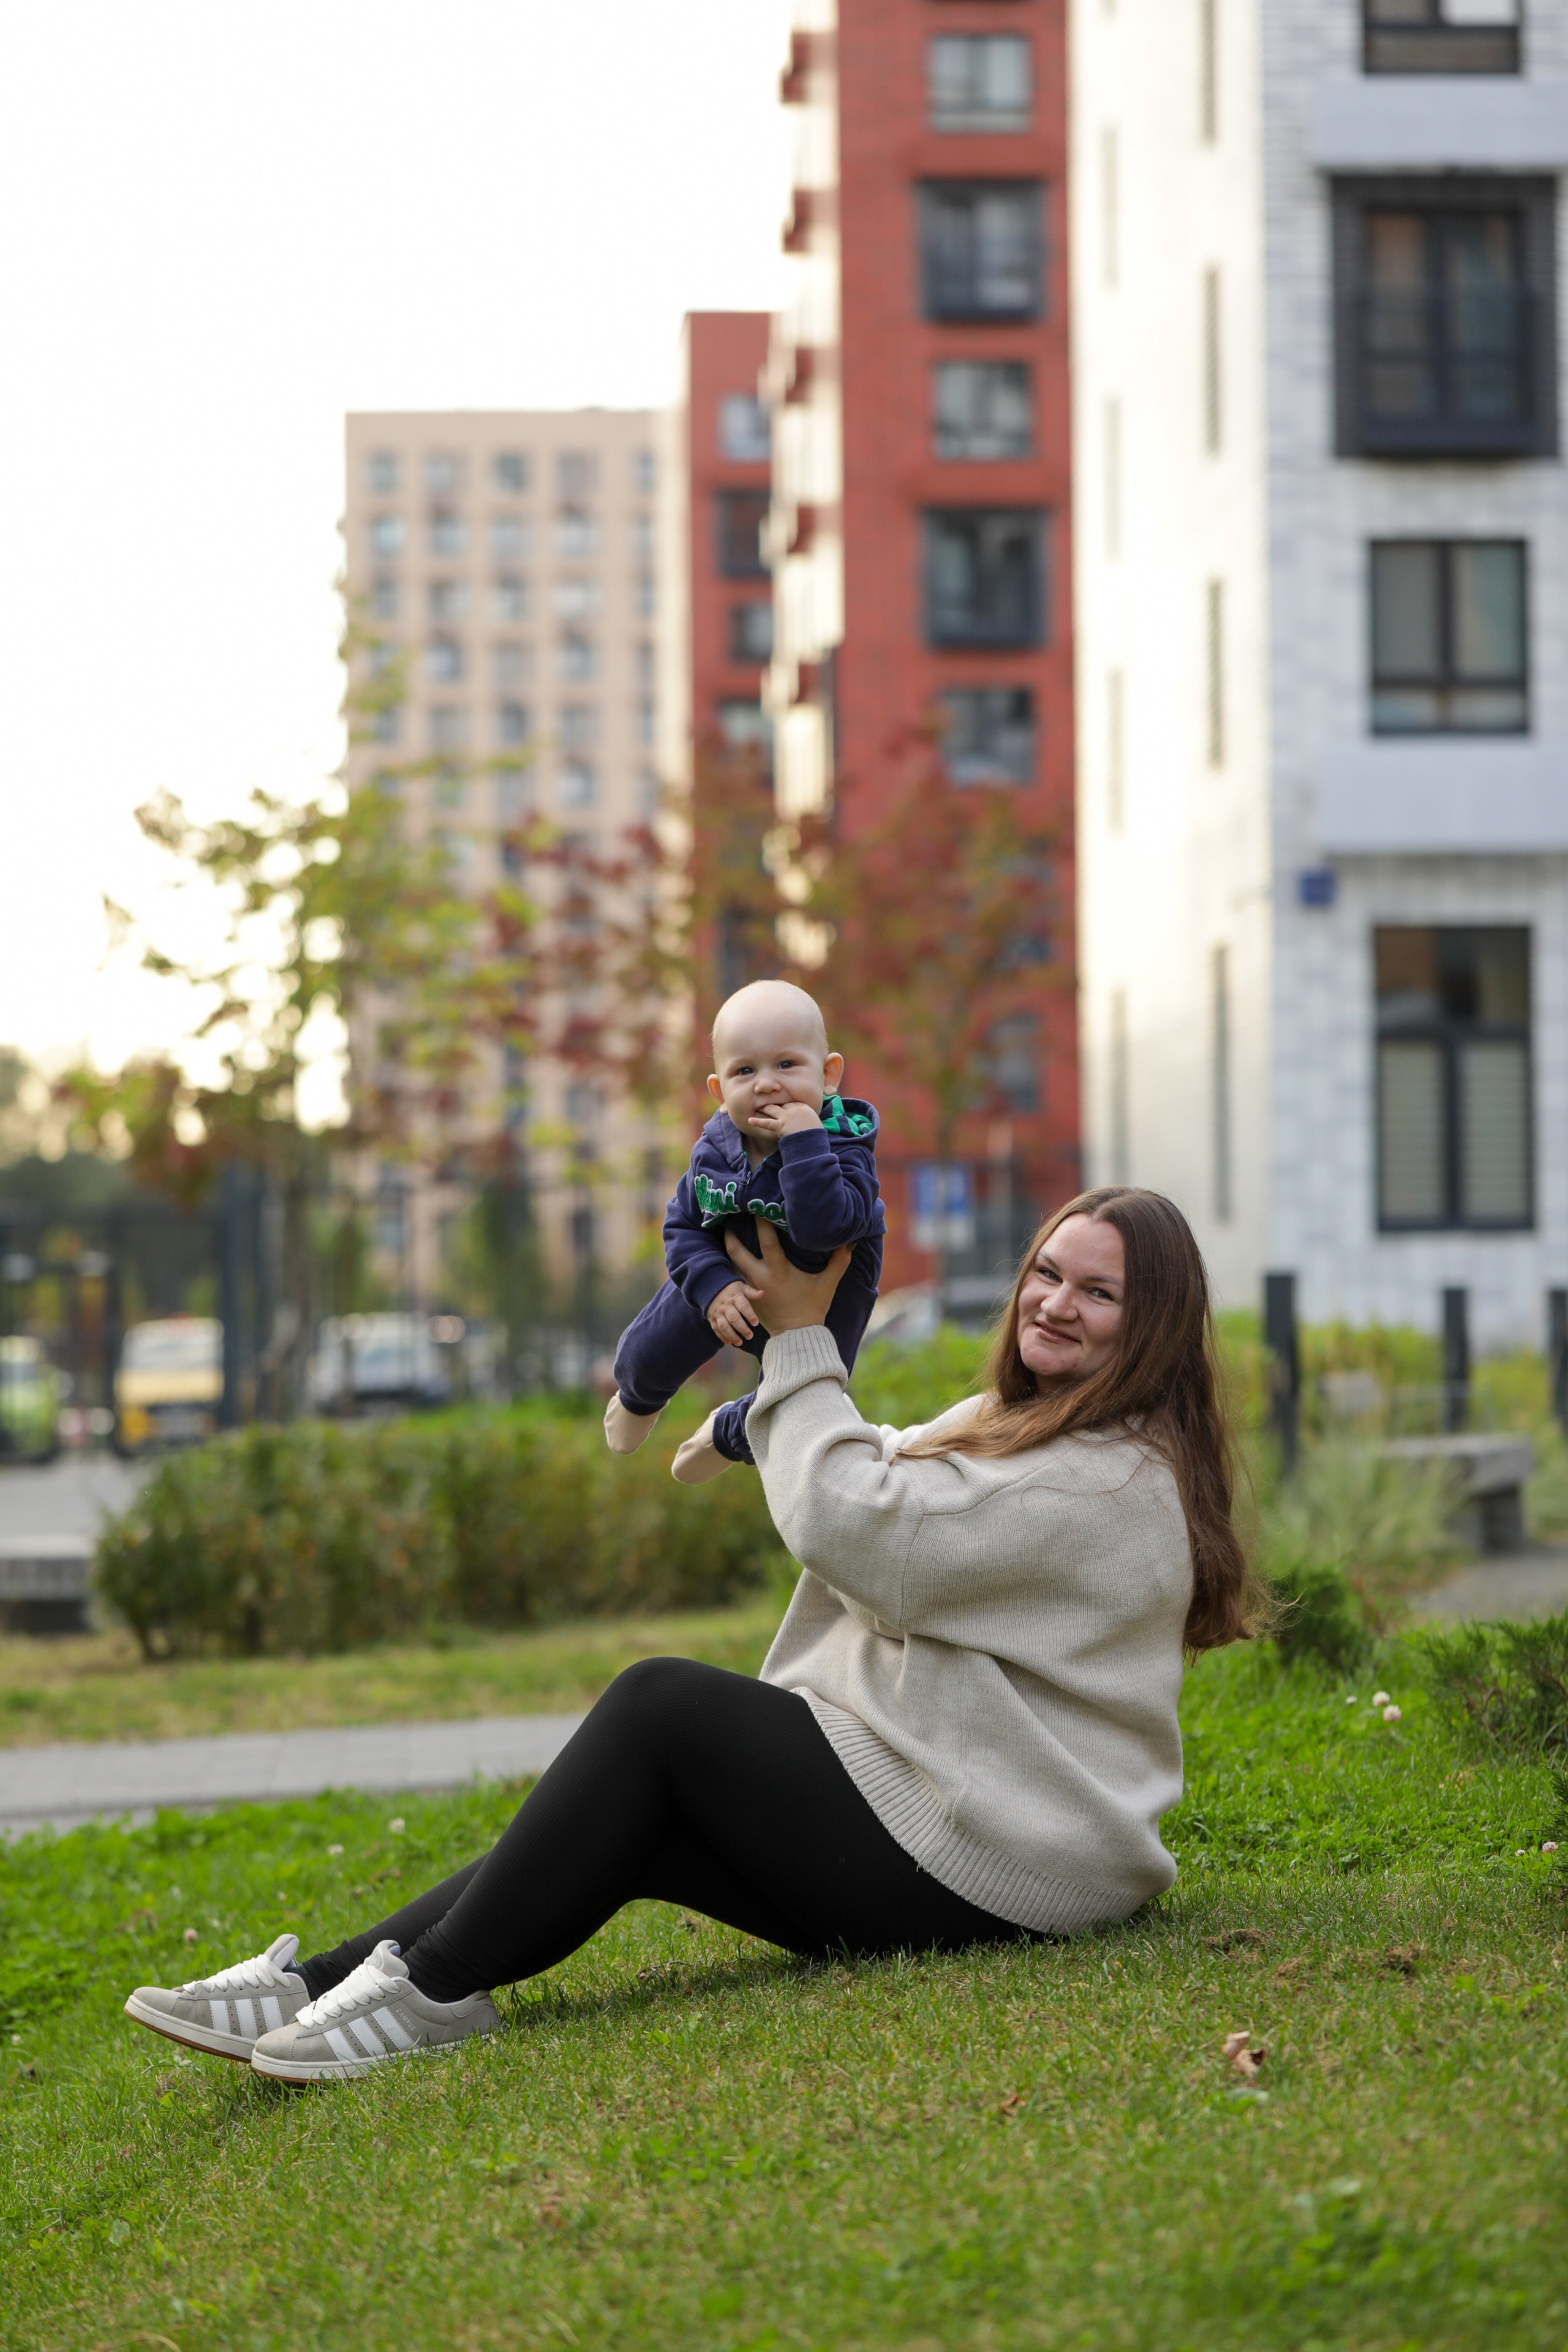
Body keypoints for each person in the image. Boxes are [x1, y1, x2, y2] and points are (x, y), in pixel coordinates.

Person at [124, 1186, 1268, 2086]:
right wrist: (743, 1421)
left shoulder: (1108, 1483)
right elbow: (883, 1452)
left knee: (661, 1708)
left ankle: (430, 1996)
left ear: (1155, 1324)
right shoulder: (1024, 1429)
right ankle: (325, 1985)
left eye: (1100, 1294)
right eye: (1047, 1274)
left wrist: (800, 1339)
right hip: (958, 1826)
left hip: (1010, 1863)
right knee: (647, 1824)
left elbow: (863, 1527)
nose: (1056, 1304)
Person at [603, 977, 885, 1483]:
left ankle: (728, 1433)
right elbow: (683, 1226)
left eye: (787, 1064)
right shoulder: (714, 1149)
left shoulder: (847, 1147)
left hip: (825, 1290)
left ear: (829, 1075)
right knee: (651, 1348)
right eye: (744, 1071)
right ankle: (639, 1397)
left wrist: (805, 1141)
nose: (766, 1084)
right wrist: (714, 1288)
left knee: (804, 1394)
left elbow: (827, 1228)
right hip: (725, 1272)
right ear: (719, 1090)